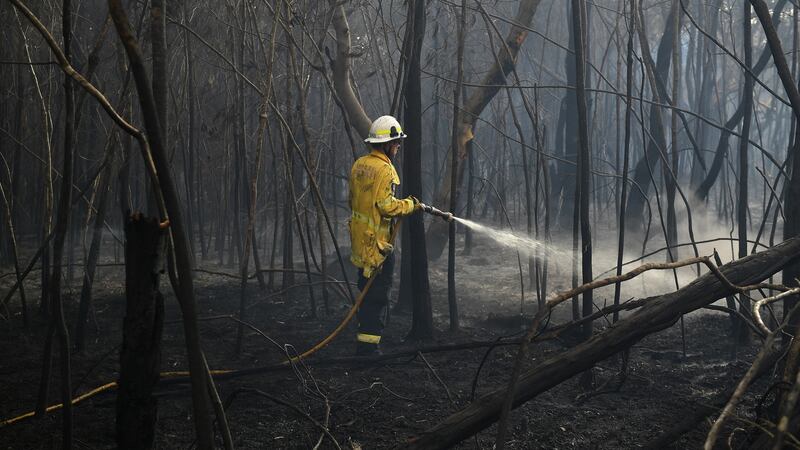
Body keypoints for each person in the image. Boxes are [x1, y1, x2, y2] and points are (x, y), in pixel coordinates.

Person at [349, 115, 422, 356]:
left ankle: (364, 345)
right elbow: (386, 206)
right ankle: (369, 351)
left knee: (366, 293)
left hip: (360, 244)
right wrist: (410, 205)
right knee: (377, 298)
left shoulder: (360, 164)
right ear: (387, 144)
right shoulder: (385, 170)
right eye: (397, 143)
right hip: (378, 248)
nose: (398, 148)